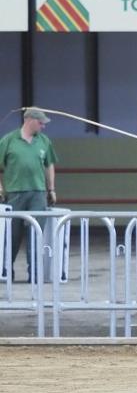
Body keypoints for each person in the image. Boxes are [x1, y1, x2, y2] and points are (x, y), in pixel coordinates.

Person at [0, 108, 58, 282]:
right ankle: (5, 271)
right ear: (30, 120)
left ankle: (35, 273)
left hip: (38, 193)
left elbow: (49, 165)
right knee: (12, 235)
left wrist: (51, 189)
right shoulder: (8, 140)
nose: (43, 126)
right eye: (41, 123)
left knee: (36, 233)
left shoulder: (44, 141)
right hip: (14, 192)